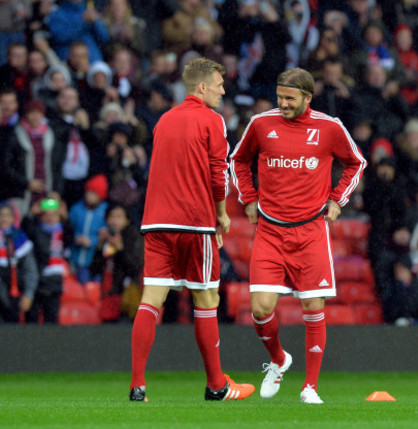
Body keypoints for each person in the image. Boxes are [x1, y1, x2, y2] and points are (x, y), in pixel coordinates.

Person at [230, 67, 366, 404]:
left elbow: (356, 162)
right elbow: (238, 160)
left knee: (312, 305)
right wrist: (248, 199)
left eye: (290, 98)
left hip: (310, 231)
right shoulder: (261, 124)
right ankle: (278, 359)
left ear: (308, 97)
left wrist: (337, 200)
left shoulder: (329, 127)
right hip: (270, 229)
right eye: (280, 97)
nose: (283, 104)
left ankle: (310, 387)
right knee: (260, 309)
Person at [131, 57, 254, 402]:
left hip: (156, 222)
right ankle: (216, 384)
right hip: (194, 223)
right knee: (206, 298)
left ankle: (137, 384)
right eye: (219, 84)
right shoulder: (212, 120)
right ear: (202, 87)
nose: (223, 90)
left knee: (150, 301)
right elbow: (218, 175)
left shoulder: (163, 121)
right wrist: (221, 215)